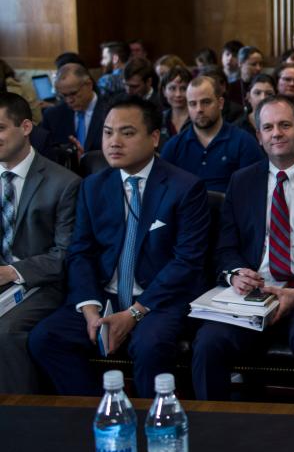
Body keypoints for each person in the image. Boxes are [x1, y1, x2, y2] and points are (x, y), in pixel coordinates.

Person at [28, 95, 210, 397]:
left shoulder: (185, 187)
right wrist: (89, 308)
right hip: (106, 297)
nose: (114, 142)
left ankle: (152, 425)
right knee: (45, 338)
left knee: (149, 345)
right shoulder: (93, 186)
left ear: (154, 138)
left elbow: (186, 262)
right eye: (108, 132)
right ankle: (98, 414)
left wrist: (135, 313)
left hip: (158, 301)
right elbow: (81, 253)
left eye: (127, 133)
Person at [190, 96, 294, 404]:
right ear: (259, 137)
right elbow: (225, 248)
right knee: (208, 342)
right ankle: (209, 429)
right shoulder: (241, 183)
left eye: (284, 125)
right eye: (267, 127)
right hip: (252, 294)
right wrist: (235, 274)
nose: (276, 133)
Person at [0, 93, 81, 393]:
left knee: (5, 333)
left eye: (0, 128)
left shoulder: (64, 183)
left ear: (25, 127)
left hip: (40, 284)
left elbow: (64, 254)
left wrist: (12, 272)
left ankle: (19, 417)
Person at [160, 76, 263, 193]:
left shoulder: (244, 142)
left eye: (206, 102)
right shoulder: (174, 146)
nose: (199, 109)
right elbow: (161, 192)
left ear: (220, 103)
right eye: (193, 104)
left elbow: (255, 192)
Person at [42, 63, 110, 164]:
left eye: (73, 93)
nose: (69, 100)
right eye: (64, 95)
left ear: (89, 84)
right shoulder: (52, 116)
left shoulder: (111, 111)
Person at [233, 74, 276, 140]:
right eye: (257, 93)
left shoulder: (282, 122)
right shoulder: (237, 127)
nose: (263, 98)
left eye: (269, 94)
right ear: (248, 96)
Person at [159, 66, 192, 141]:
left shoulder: (198, 118)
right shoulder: (159, 120)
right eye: (172, 88)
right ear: (164, 91)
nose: (178, 94)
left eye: (183, 88)